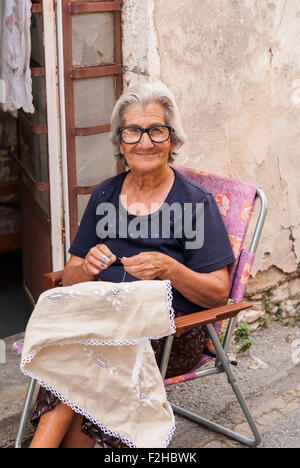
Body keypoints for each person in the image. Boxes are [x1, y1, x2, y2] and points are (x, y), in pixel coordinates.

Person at [29, 82, 235, 448]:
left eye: (156, 130)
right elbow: (72, 279)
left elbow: (219, 294)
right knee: (83, 350)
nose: (145, 142)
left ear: (172, 140)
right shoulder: (105, 195)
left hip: (172, 336)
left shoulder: (195, 203)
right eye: (133, 131)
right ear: (120, 143)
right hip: (102, 325)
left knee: (80, 356)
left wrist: (171, 269)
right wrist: (87, 266)